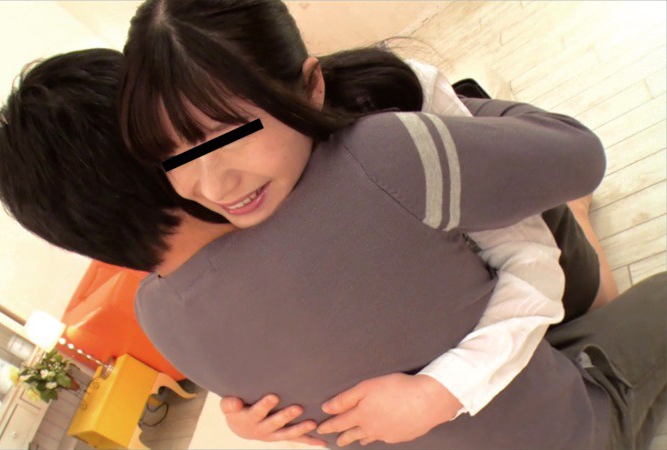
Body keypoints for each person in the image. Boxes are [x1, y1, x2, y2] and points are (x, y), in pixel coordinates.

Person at [118, 0, 666, 448]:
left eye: (235, 131)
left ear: (311, 87)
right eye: (174, 154)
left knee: (571, 259)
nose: (216, 187)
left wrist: (441, 391)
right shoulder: (234, 221)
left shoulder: (392, 132)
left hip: (516, 272)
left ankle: (579, 234)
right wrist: (246, 415)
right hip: (514, 343)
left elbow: (530, 258)